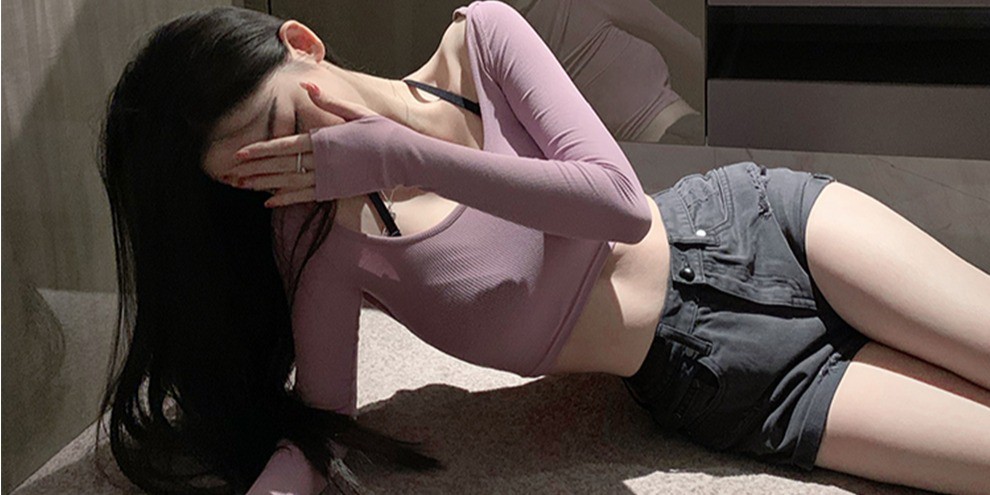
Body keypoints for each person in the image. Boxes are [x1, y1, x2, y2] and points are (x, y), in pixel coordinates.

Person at [96, 2, 990, 494]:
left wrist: (400, 153)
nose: (302, 157)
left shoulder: (482, 40)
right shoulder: (321, 238)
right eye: (258, 172)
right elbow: (326, 421)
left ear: (303, 44)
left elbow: (617, 206)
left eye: (286, 123)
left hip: (761, 224)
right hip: (721, 377)